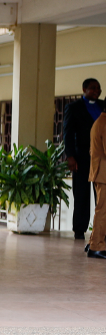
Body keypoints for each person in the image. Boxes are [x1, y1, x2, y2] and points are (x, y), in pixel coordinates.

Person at [63, 79, 104, 242]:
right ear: (84, 89)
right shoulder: (73, 108)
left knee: (101, 194)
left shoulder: (102, 106)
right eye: (93, 88)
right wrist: (70, 156)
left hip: (101, 157)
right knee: (81, 193)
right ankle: (79, 229)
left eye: (98, 88)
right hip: (81, 156)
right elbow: (67, 133)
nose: (97, 91)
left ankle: (101, 229)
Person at [89, 112, 106, 259]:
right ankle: (96, 246)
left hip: (99, 172)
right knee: (103, 210)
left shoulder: (98, 121)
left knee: (101, 209)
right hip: (103, 173)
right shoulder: (104, 123)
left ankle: (96, 242)